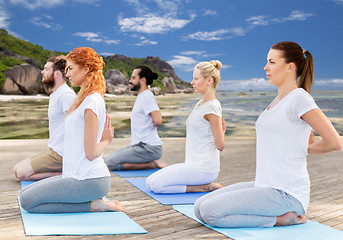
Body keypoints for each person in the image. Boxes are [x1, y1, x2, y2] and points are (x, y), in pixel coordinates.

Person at [194, 41, 343, 228]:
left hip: (287, 192)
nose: (266, 67)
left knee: (210, 212)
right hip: (264, 184)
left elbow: (335, 142)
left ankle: (281, 219)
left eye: (272, 62)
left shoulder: (300, 98)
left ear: (290, 67)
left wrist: (305, 148)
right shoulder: (276, 101)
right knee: (199, 207)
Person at [19, 47, 125, 213]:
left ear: (86, 69)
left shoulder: (91, 103)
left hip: (89, 179)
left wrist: (105, 140)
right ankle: (92, 202)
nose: (67, 74)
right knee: (24, 193)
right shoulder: (83, 100)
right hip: (76, 175)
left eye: (70, 68)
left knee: (27, 201)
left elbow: (90, 153)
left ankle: (94, 205)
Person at [146, 60, 226, 193]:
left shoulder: (212, 107)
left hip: (203, 169)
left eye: (196, 78)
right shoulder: (201, 103)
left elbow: (220, 145)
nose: (192, 82)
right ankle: (203, 185)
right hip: (192, 165)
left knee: (156, 186)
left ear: (209, 80)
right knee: (149, 182)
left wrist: (222, 131)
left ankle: (203, 187)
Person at [13, 56, 76, 181]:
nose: (42, 72)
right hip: (54, 150)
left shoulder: (66, 95)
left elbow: (78, 125)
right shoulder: (56, 94)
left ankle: (69, 173)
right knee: (16, 170)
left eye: (46, 69)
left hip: (62, 154)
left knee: (21, 174)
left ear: (57, 74)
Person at [105, 66, 166, 171]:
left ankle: (151, 165)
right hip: (140, 146)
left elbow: (158, 120)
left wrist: (146, 132)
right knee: (107, 161)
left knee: (109, 164)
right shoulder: (142, 96)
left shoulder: (147, 96)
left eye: (133, 78)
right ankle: (149, 162)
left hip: (148, 148)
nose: (130, 81)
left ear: (142, 80)